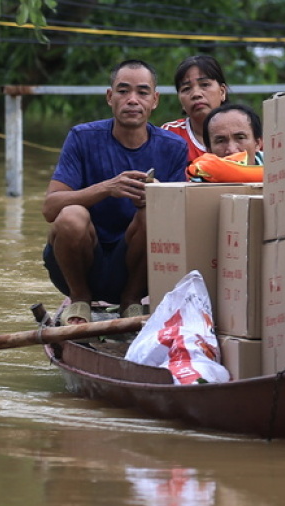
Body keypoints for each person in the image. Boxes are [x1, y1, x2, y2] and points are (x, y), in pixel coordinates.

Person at [43, 60, 188, 325]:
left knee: (153, 216)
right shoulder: (82, 137)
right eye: (123, 91)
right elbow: (50, 209)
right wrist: (107, 188)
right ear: (110, 97)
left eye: (142, 92)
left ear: (154, 100)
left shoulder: (174, 147)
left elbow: (182, 220)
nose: (132, 100)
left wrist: (157, 197)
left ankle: (131, 301)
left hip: (138, 269)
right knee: (71, 216)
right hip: (82, 263)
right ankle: (80, 299)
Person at [161, 55, 230, 163]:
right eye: (186, 88)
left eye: (205, 85)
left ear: (222, 92)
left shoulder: (244, 130)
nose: (196, 94)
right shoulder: (169, 135)